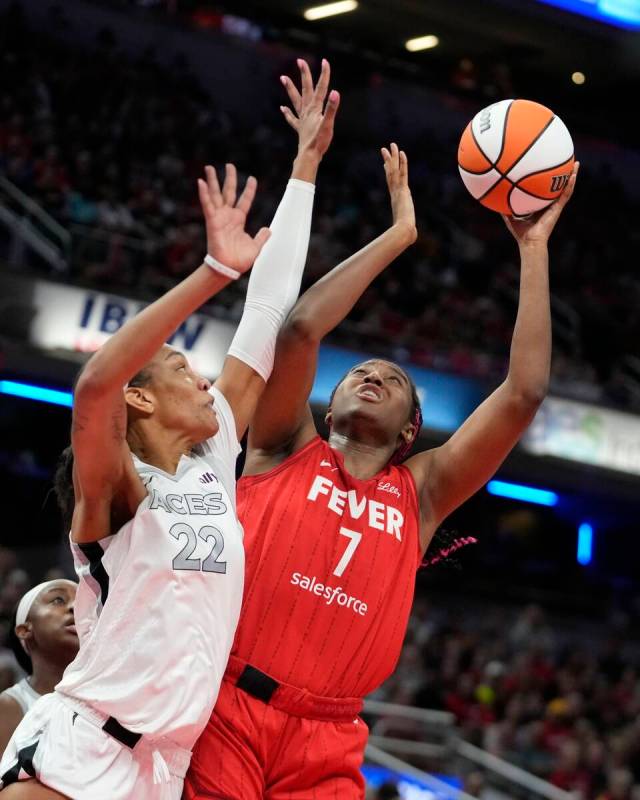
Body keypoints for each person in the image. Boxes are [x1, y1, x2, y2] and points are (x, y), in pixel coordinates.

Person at [184, 138, 579, 799]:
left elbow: (523, 393)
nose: (370, 374)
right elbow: (302, 329)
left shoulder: (420, 494)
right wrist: (400, 235)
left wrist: (533, 251)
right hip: (228, 707)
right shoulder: (282, 445)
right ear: (328, 404)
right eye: (359, 373)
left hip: (331, 739)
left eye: (390, 378)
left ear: (411, 431)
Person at [0, 58, 339, 800]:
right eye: (184, 369)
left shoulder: (211, 459)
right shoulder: (118, 487)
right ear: (143, 402)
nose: (205, 380)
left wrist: (306, 167)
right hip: (82, 746)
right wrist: (214, 269)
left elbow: (268, 315)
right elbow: (94, 387)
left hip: (165, 765)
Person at [0, 581, 78, 754]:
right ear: (24, 630)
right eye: (58, 600)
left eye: (83, 604)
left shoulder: (113, 695)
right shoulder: (8, 707)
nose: (76, 607)